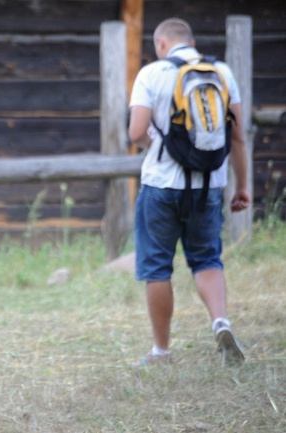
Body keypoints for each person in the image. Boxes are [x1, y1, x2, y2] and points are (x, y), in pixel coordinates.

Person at [128, 18, 250, 366]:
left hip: (160, 187)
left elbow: (136, 131)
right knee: (207, 259)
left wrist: (157, 144)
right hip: (209, 186)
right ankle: (220, 322)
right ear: (192, 42)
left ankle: (161, 351)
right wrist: (241, 186)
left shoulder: (152, 74)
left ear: (161, 43)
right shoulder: (222, 72)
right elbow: (238, 136)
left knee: (156, 267)